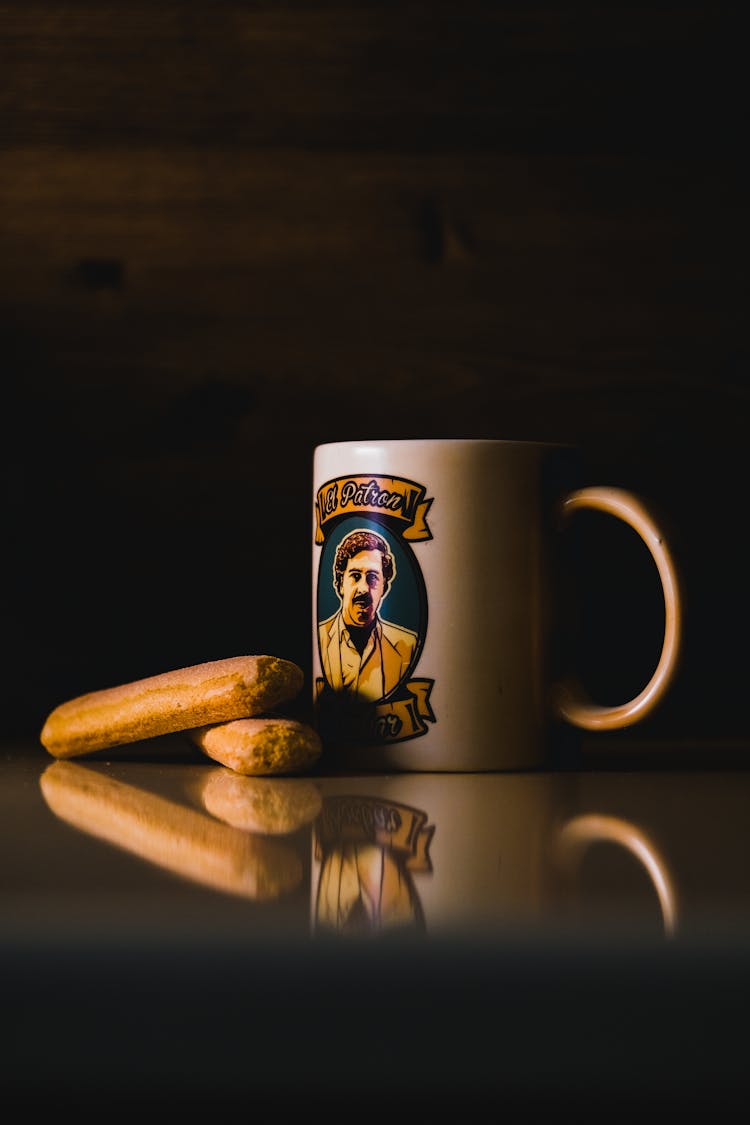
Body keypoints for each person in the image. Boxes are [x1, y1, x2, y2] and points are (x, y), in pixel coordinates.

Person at [318, 529, 417, 702]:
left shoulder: (407, 647)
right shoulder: (319, 638)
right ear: (340, 584)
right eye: (355, 576)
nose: (363, 589)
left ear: (384, 588)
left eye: (372, 578)